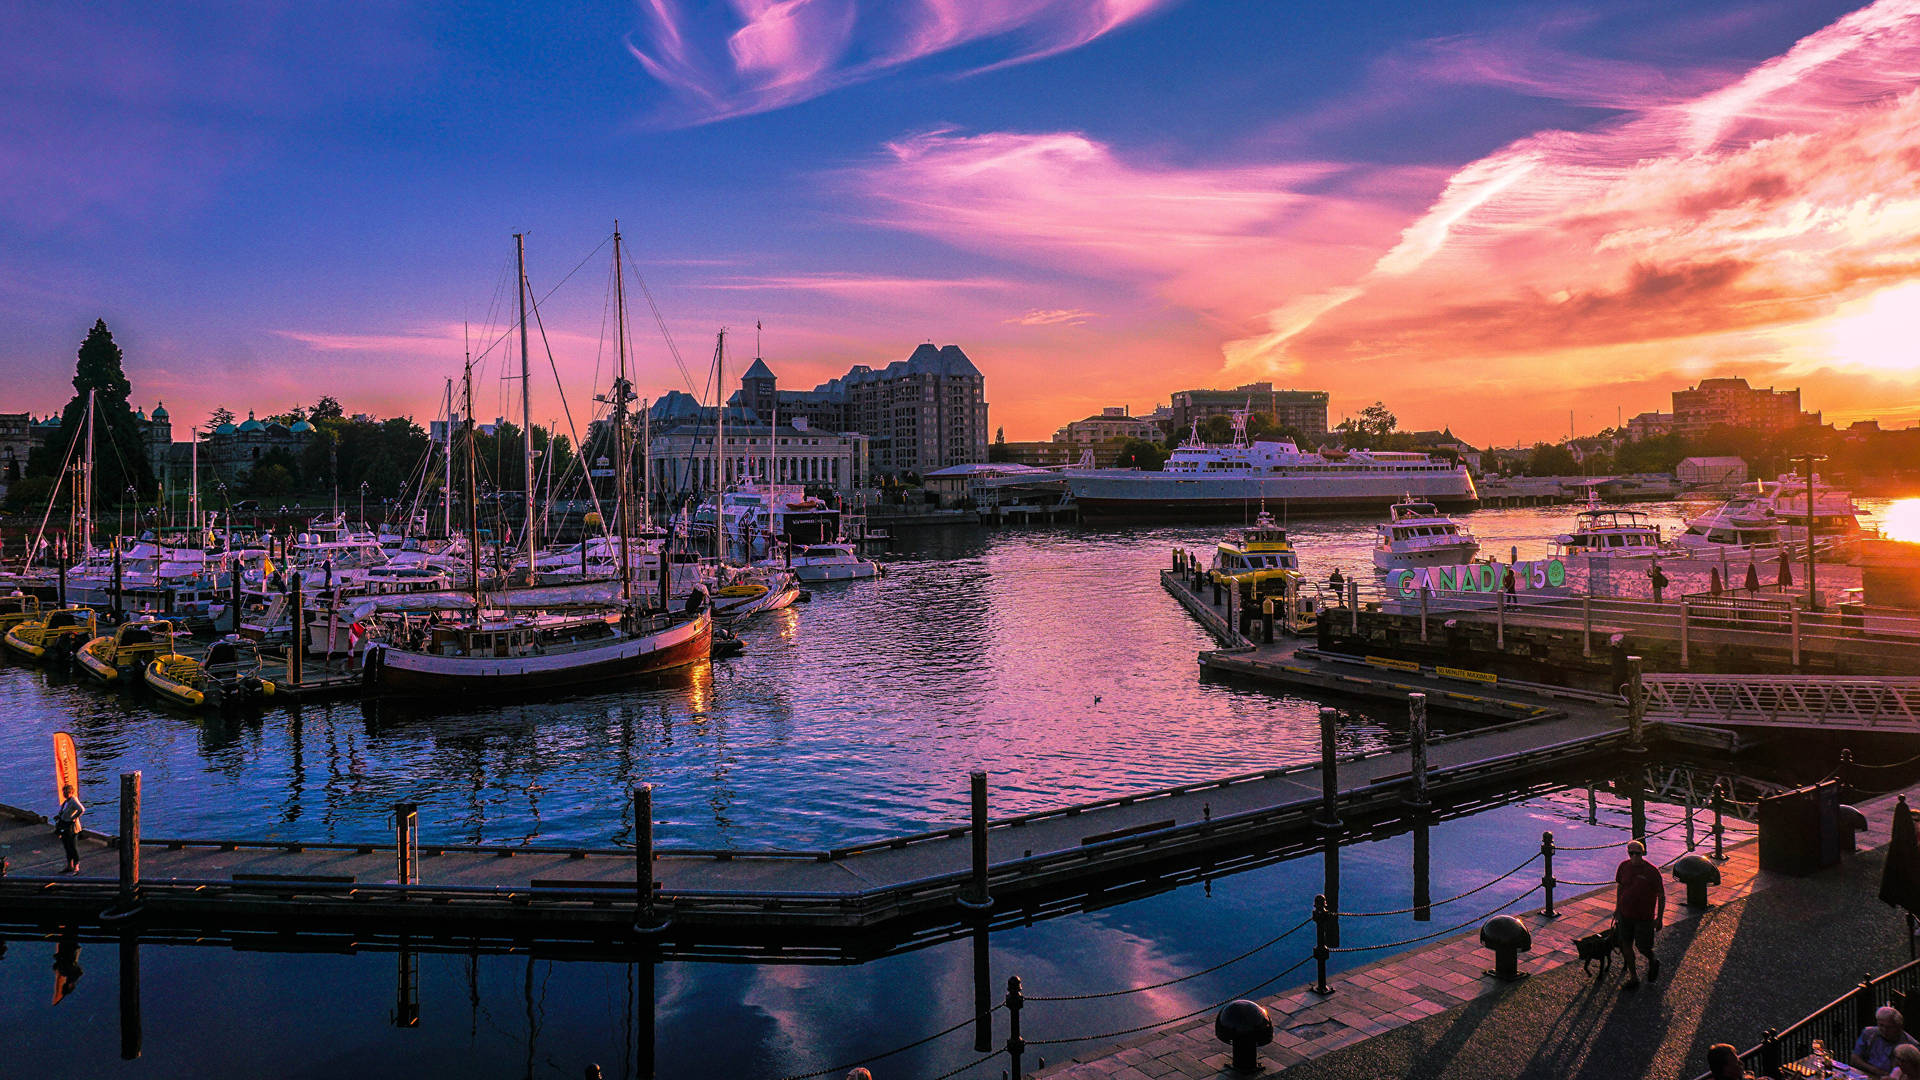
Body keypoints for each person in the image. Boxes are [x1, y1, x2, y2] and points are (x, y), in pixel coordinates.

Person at [1613, 838, 1664, 990]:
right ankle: (1633, 977)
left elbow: (1661, 895)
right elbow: (1620, 887)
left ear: (1643, 853)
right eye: (1631, 853)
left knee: (1643, 947)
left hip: (1644, 917)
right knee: (1626, 945)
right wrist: (1617, 908)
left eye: (1637, 853)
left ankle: (1653, 960)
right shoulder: (1623, 867)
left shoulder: (1652, 872)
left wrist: (1659, 918)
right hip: (1625, 914)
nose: (1634, 856)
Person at [1854, 1006, 1919, 1077]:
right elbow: (1854, 1058)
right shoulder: (1869, 1033)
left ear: (1899, 1027)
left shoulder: (1910, 1046)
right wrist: (1876, 1071)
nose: (1884, 1030)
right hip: (1866, 1074)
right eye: (1881, 1025)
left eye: (1889, 1027)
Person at [54, 785, 83, 874]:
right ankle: (69, 865)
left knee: (73, 847)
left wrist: (73, 818)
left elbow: (81, 809)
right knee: (67, 846)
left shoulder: (73, 800)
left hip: (71, 827)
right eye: (64, 792)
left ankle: (76, 867)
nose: (65, 794)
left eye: (67, 792)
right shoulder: (67, 801)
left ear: (71, 792)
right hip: (65, 826)